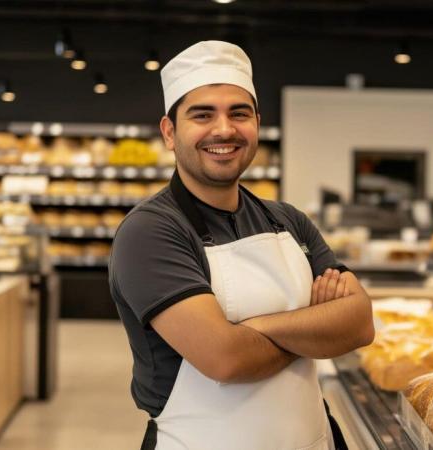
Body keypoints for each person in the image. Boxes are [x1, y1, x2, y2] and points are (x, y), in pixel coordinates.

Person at [108, 40, 375, 450]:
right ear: (169, 131)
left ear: (256, 124)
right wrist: (314, 328)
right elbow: (225, 359)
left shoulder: (289, 221)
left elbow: (358, 323)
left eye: (239, 113)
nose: (224, 129)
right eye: (202, 115)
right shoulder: (150, 232)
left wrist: (255, 329)